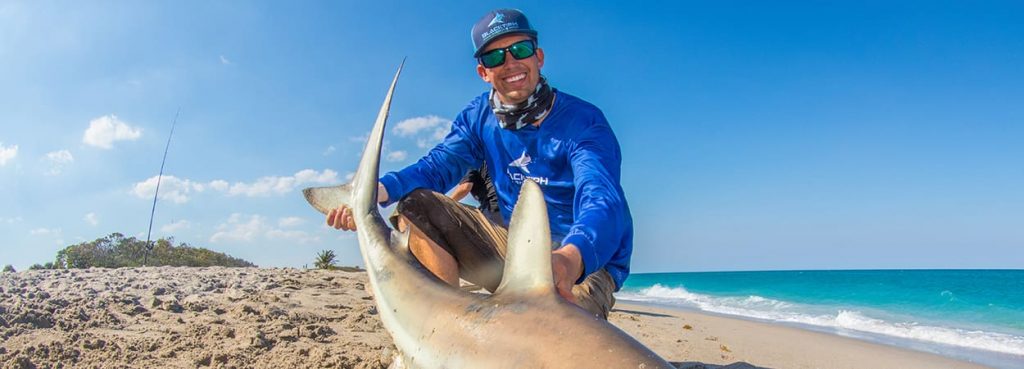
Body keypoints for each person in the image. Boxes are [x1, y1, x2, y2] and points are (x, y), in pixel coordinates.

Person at [327, 8, 633, 319]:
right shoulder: (479, 118)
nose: (510, 63)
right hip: (515, 252)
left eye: (520, 49)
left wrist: (568, 260)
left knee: (548, 340)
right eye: (494, 57)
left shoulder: (584, 122)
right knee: (417, 204)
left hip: (581, 260)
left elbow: (603, 202)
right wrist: (374, 193)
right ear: (482, 72)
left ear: (538, 57)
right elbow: (436, 167)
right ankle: (443, 324)